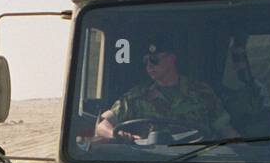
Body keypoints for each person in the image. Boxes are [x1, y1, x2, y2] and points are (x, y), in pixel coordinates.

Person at [94, 35, 239, 142]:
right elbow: (102, 127)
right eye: (146, 61)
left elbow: (226, 130)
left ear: (172, 59)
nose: (149, 66)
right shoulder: (136, 96)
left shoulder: (201, 92)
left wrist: (245, 156)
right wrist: (118, 135)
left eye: (155, 60)